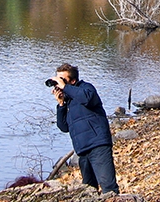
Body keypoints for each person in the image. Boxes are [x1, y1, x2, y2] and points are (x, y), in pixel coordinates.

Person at [49, 63, 120, 194]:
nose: (58, 84)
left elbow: (87, 99)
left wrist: (65, 87)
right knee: (89, 190)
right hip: (82, 150)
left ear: (73, 80)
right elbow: (63, 127)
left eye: (62, 80)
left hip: (98, 145)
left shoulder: (86, 88)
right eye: (57, 80)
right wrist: (61, 104)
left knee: (108, 187)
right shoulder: (69, 99)